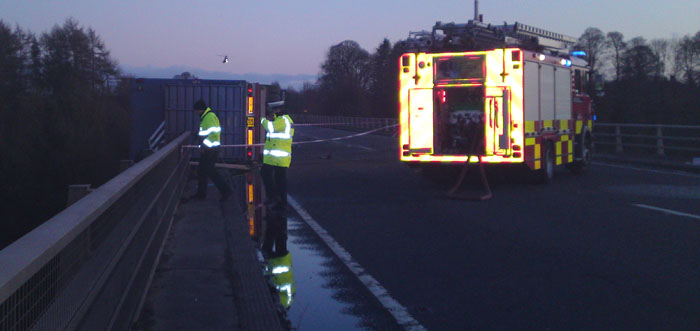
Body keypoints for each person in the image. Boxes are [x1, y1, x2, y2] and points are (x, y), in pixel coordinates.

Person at [192, 99, 232, 201]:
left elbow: (213, 134)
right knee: (203, 171)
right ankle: (202, 194)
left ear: (200, 109)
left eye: (196, 110)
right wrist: (198, 136)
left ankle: (225, 190)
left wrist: (204, 146)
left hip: (210, 149)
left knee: (209, 171)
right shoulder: (206, 117)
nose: (195, 113)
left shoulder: (208, 118)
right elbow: (206, 133)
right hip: (210, 149)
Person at [260, 101, 294, 211]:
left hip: (279, 157)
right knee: (276, 178)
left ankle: (279, 201)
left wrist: (262, 119)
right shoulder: (278, 120)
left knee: (279, 180)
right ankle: (276, 199)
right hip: (274, 157)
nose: (272, 111)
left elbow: (270, 128)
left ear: (279, 109)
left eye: (274, 109)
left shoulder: (283, 120)